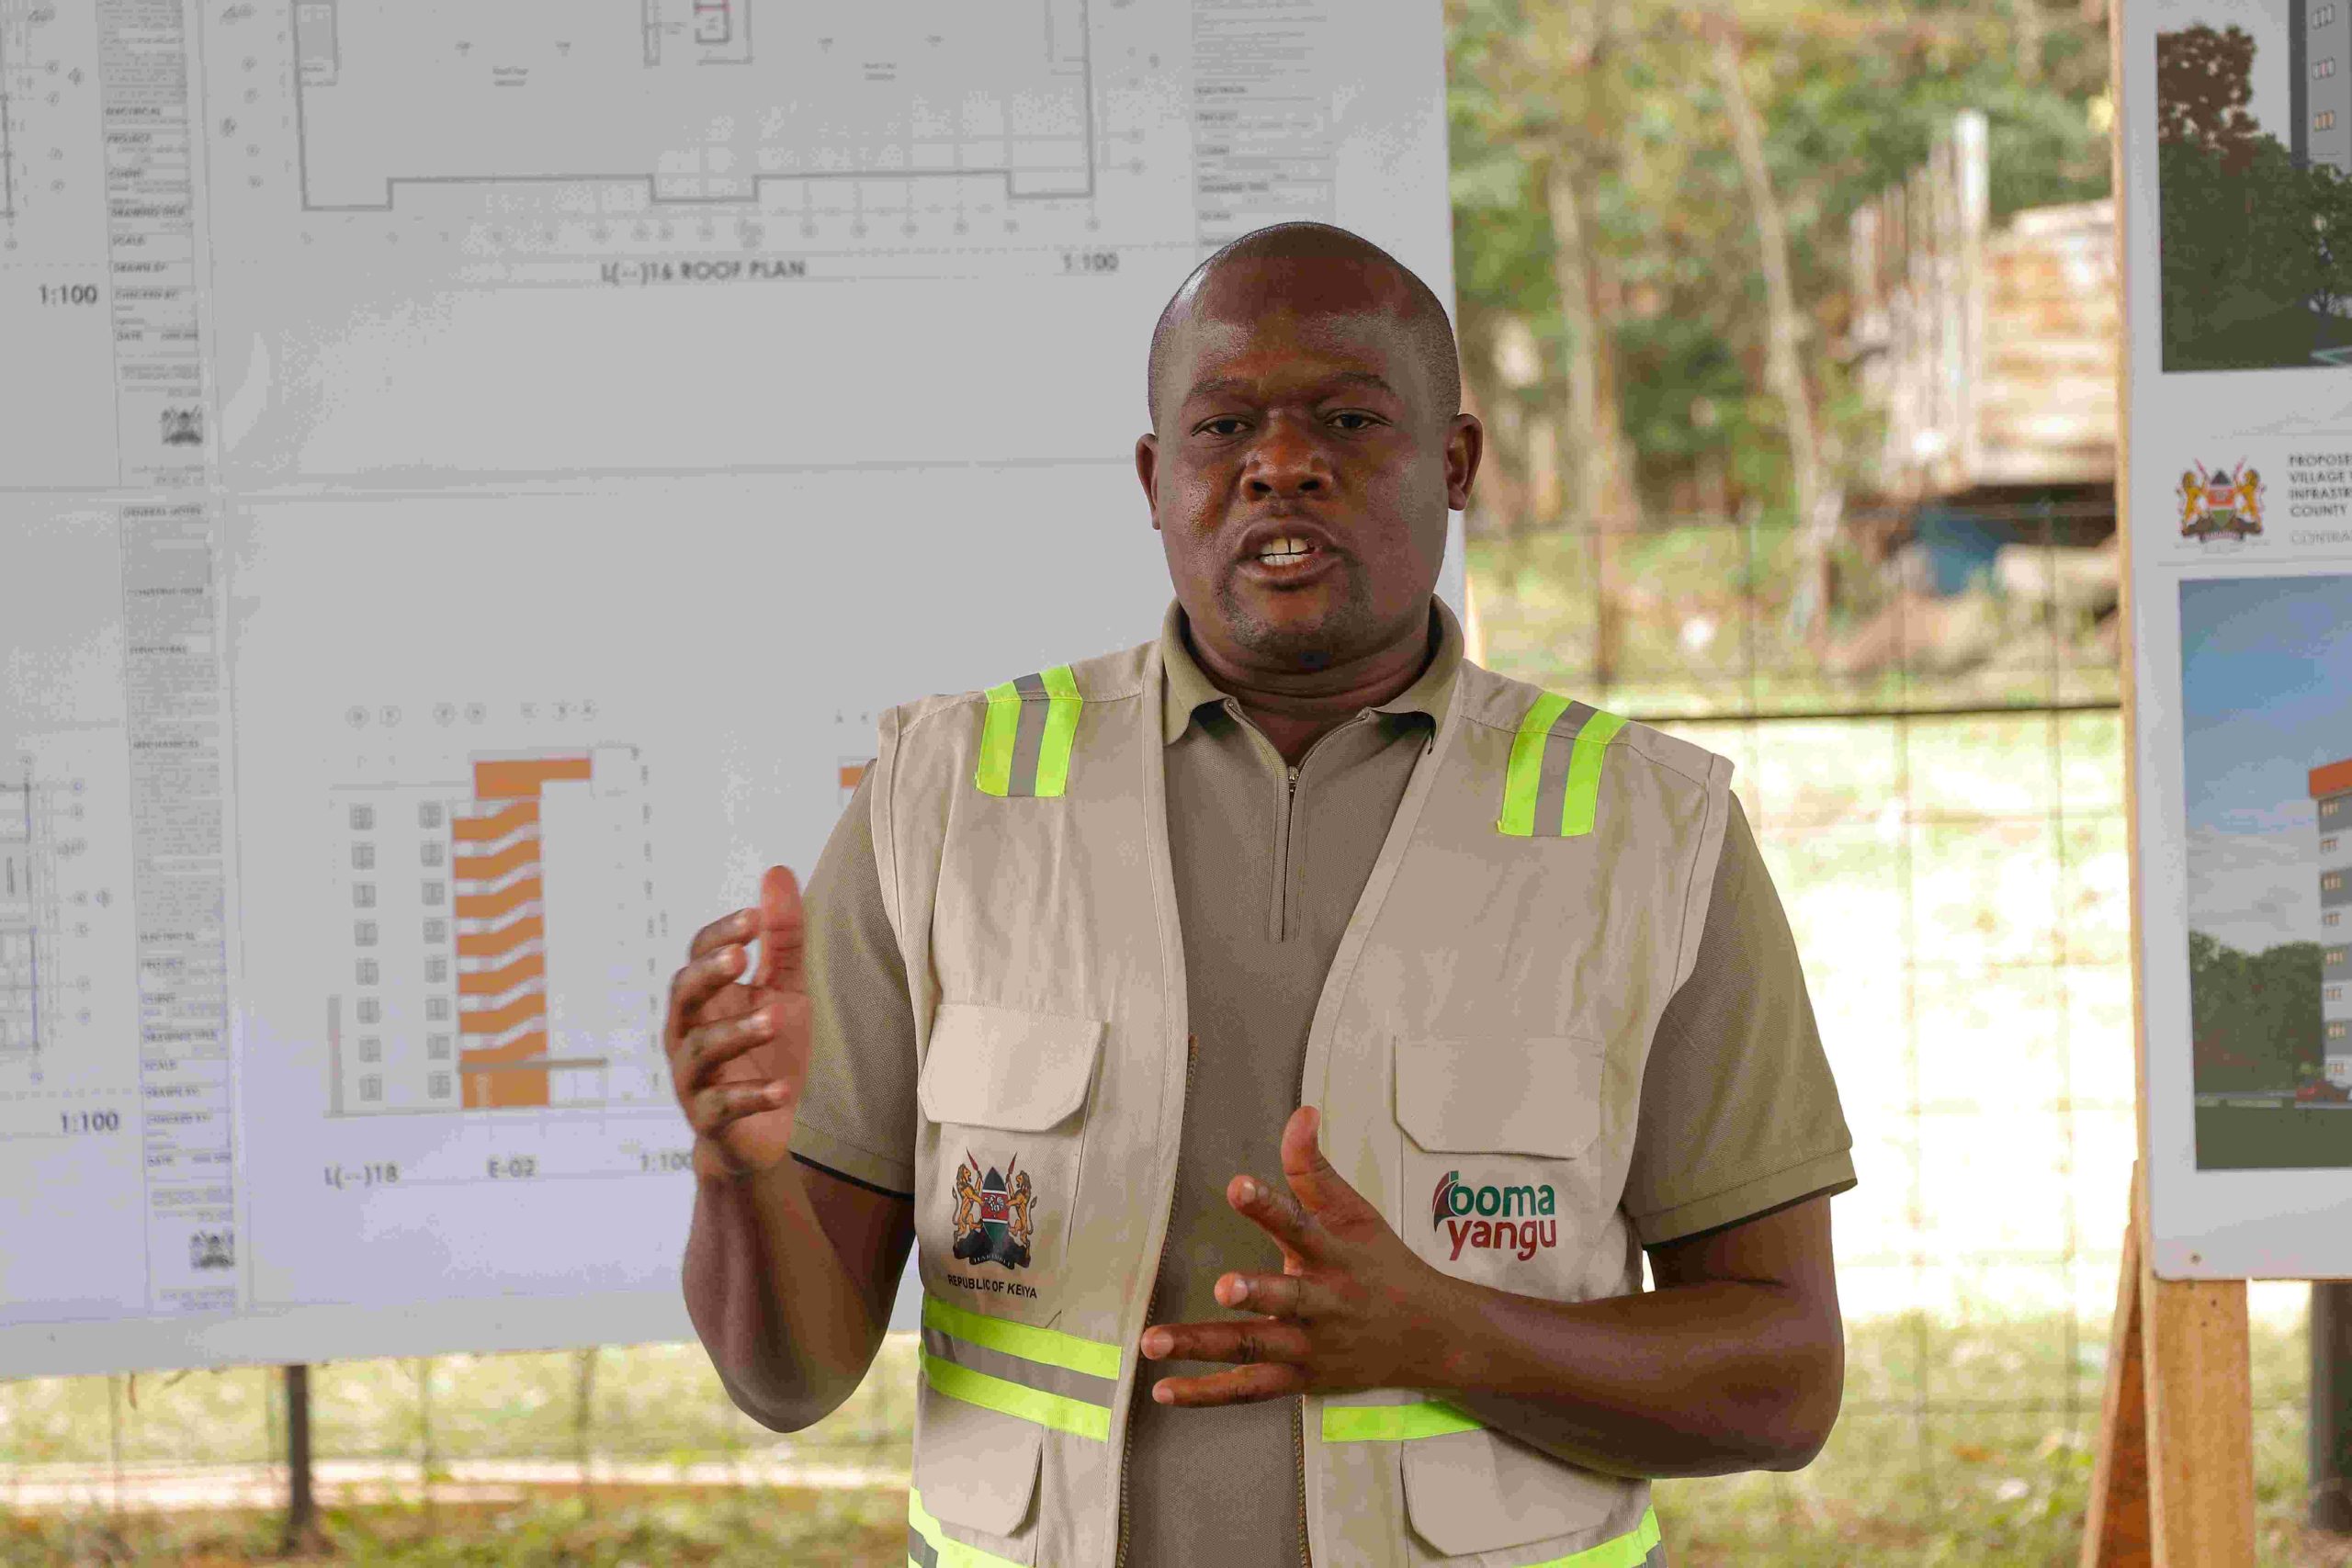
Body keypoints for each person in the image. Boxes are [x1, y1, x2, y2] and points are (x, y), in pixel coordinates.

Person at [670, 221, 1854, 1568]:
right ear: (1154, 480)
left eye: (1348, 418)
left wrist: (1455, 1338)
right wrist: (738, 1175)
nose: (1280, 464)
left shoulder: (1650, 829)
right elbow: (788, 1382)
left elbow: (1782, 1382)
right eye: (1223, 427)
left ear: (1456, 464)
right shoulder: (944, 800)